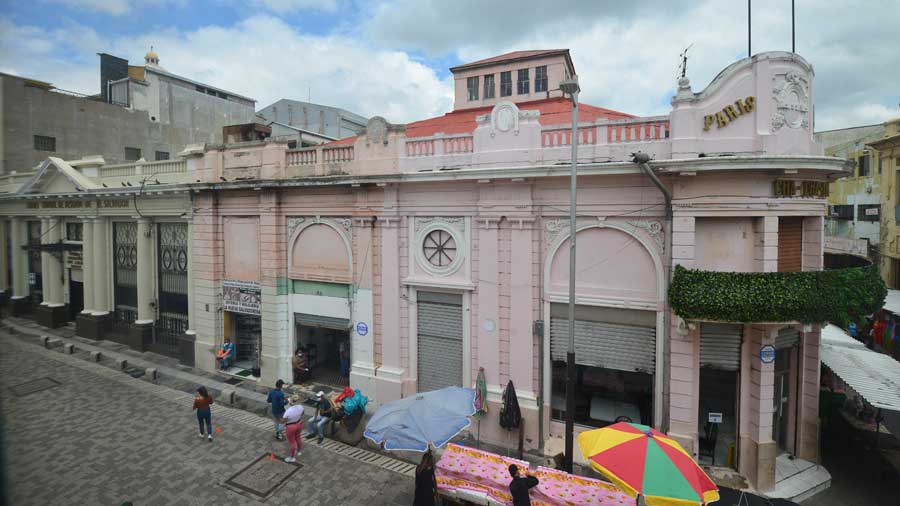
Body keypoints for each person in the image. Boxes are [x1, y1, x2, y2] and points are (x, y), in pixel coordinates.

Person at [281, 394, 305, 463]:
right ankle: (299, 451)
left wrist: (281, 420)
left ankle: (292, 457)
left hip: (291, 426)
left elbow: (283, 421)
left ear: (291, 402)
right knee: (298, 437)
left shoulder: (288, 411)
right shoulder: (301, 407)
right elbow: (302, 414)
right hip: (299, 423)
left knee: (292, 442)